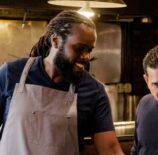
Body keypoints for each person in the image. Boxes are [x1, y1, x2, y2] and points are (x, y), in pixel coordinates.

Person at [0, 10, 124, 155]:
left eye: (89, 50)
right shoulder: (10, 73)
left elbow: (110, 149)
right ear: (56, 41)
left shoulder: (94, 91)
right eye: (79, 48)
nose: (86, 56)